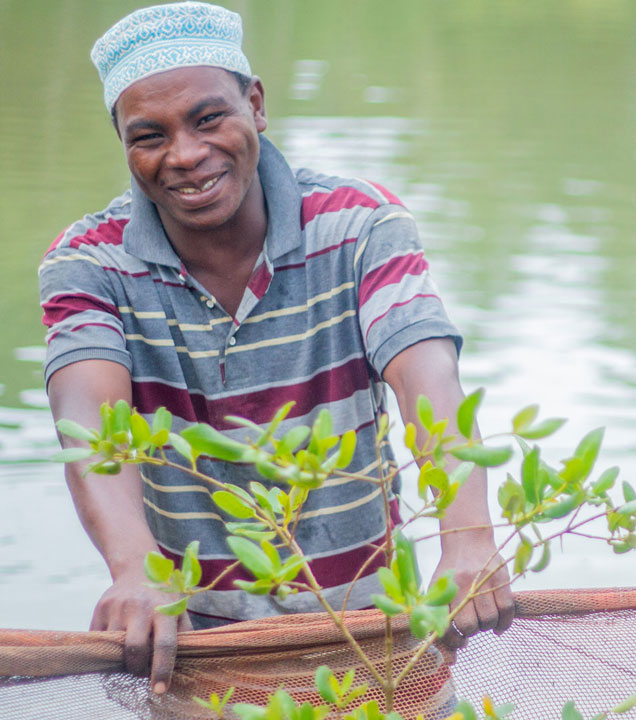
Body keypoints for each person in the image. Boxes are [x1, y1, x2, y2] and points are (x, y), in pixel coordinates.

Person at [39, 1, 513, 698]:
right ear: (121, 141)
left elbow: (426, 373)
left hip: (380, 643)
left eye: (208, 118)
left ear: (255, 104)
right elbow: (88, 424)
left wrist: (468, 531)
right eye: (149, 135)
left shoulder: (358, 225)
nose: (186, 155)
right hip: (201, 657)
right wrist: (136, 568)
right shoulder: (89, 262)